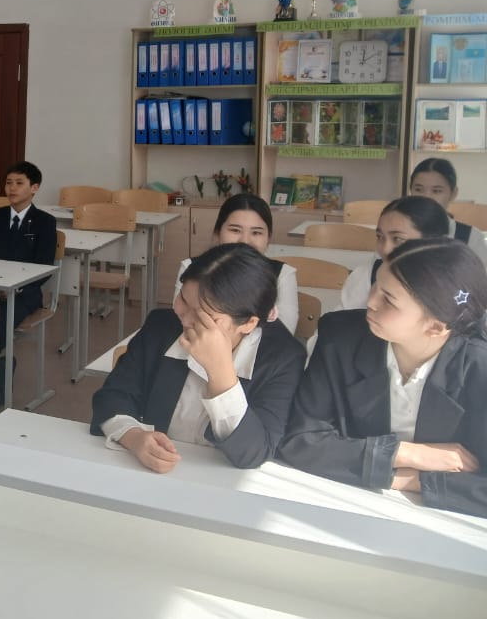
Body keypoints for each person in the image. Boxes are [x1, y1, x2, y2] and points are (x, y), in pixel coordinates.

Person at [280, 239, 487, 519]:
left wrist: (416, 481)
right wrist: (408, 455)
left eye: (388, 300)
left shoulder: (479, 368)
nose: (370, 301)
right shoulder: (340, 337)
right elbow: (301, 440)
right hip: (346, 505)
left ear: (436, 327)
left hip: (443, 521)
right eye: (376, 284)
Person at [90, 243, 305, 471]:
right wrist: (134, 437)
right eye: (183, 299)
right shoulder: (162, 326)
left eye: (204, 316)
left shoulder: (284, 358)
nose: (185, 319)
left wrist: (220, 373)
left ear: (249, 323)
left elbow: (254, 452)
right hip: (148, 472)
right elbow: (113, 396)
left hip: (219, 482)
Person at [0, 161, 57, 402]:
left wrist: (17, 289)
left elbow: (45, 267)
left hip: (25, 293)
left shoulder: (45, 221)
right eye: (8, 183)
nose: (12, 188)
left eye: (19, 183)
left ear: (34, 188)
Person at [173, 193, 298, 332]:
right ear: (217, 233)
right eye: (235, 230)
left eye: (256, 233)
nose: (245, 241)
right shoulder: (191, 268)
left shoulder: (282, 274)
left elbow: (284, 334)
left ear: (268, 238)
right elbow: (181, 321)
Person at [339, 196, 451, 310]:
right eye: (380, 237)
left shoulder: (453, 285)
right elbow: (341, 318)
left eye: (397, 239)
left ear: (434, 242)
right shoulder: (367, 275)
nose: (385, 249)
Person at [408, 158, 487, 269]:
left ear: (453, 194)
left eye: (436, 191)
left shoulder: (471, 238)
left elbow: (480, 278)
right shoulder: (395, 233)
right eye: (418, 189)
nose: (426, 197)